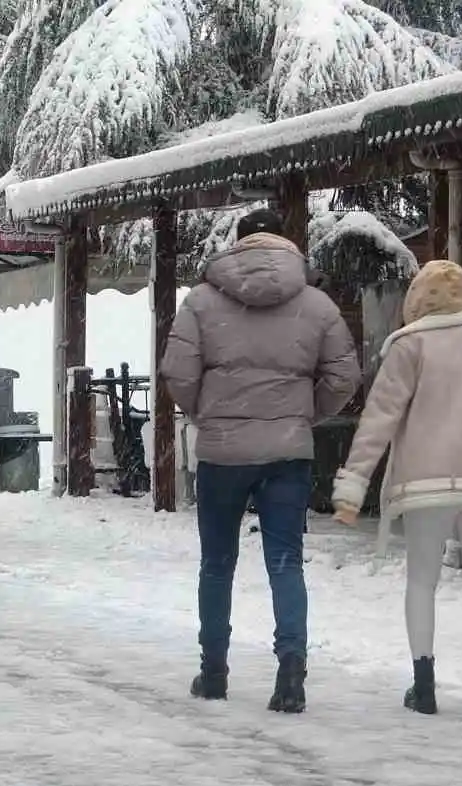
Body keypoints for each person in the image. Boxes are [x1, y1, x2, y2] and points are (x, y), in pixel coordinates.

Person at [160, 208, 361, 713]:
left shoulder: (201, 301)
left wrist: (206, 410)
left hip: (222, 454)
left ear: (238, 246)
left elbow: (177, 373)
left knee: (217, 564)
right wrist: (303, 413)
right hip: (287, 454)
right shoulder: (316, 304)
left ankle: (214, 672)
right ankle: (291, 671)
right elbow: (343, 376)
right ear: (286, 247)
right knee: (286, 562)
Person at [332, 260, 462, 725]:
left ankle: (423, 686)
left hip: (426, 484)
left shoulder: (408, 344)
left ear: (416, 301)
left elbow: (379, 419)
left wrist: (354, 483)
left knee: (421, 582)